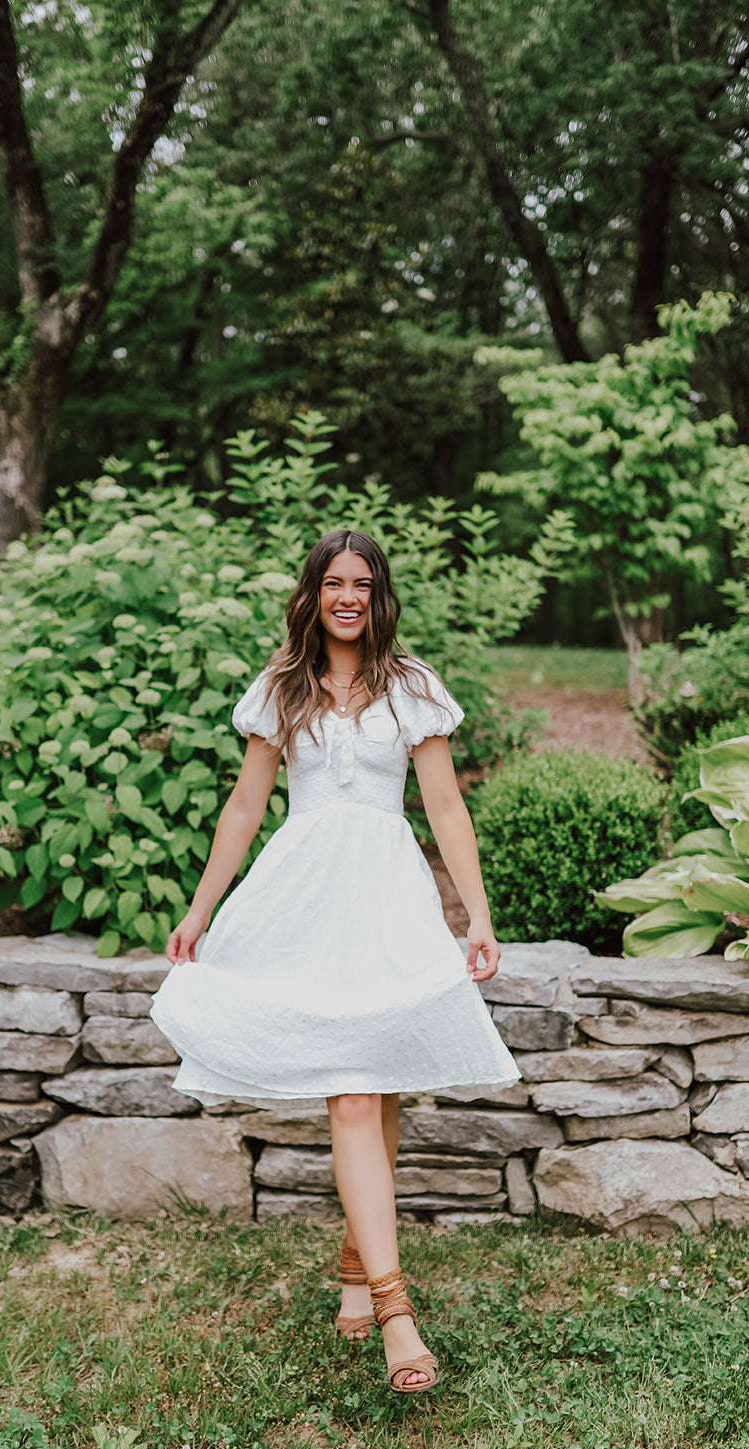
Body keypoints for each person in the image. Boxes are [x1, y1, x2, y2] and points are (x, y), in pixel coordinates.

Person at [149, 529, 520, 1394]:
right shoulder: (280, 688)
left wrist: (477, 914)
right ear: (312, 593)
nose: (347, 596)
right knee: (352, 1092)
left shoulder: (413, 687)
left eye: (362, 583)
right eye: (332, 583)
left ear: (377, 594)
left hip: (387, 900)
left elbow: (443, 806)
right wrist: (200, 909)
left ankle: (356, 1274)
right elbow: (244, 808)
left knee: (377, 1089)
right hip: (304, 901)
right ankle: (395, 1310)